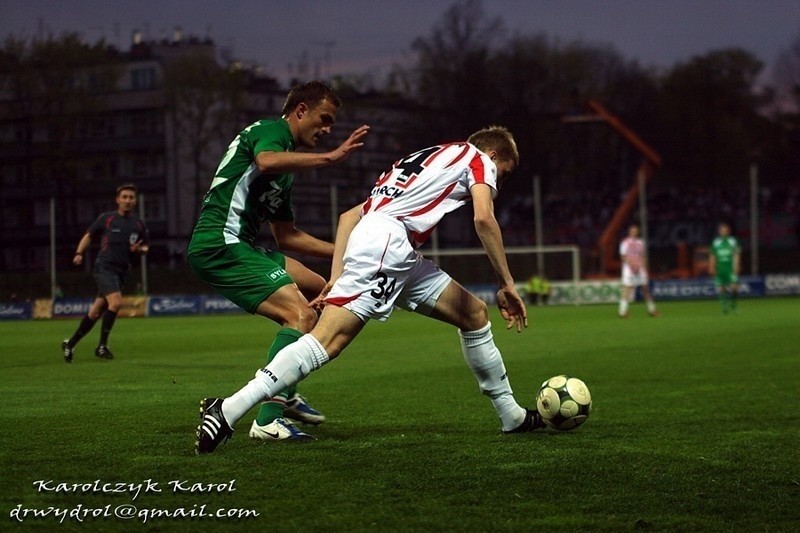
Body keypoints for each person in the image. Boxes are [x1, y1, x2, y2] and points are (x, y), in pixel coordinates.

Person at [196, 125, 547, 455]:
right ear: (494, 153)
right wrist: (507, 283)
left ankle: (511, 416)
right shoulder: (478, 158)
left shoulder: (428, 159)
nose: (500, 178)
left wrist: (336, 275)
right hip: (388, 245)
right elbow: (484, 218)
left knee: (473, 314)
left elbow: (349, 217)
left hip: (391, 245)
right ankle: (227, 409)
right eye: (505, 171)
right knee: (326, 342)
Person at [188, 81, 370, 443]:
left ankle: (283, 386)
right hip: (219, 244)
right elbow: (265, 160)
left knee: (325, 290)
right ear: (300, 111)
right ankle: (269, 417)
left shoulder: (284, 174)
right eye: (324, 119)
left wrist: (346, 250)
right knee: (300, 315)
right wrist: (330, 157)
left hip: (244, 246)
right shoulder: (270, 132)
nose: (327, 130)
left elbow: (288, 237)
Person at [61, 184, 149, 362]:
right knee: (115, 303)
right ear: (117, 200)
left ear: (135, 201)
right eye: (124, 197)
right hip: (104, 267)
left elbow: (146, 246)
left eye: (131, 197)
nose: (127, 200)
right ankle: (102, 346)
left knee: (95, 312)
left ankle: (70, 343)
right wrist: (79, 253)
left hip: (122, 272)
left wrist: (140, 249)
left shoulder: (139, 224)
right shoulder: (107, 219)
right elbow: (89, 235)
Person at [618, 223, 659, 318]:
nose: (634, 232)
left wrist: (644, 267)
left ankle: (652, 310)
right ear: (629, 232)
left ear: (637, 232)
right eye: (632, 231)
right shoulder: (625, 242)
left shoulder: (641, 242)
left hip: (640, 268)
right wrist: (631, 265)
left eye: (635, 231)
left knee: (645, 289)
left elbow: (642, 255)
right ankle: (622, 311)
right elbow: (623, 256)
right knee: (627, 288)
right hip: (629, 269)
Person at [709, 222, 741, 314]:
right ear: (719, 232)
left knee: (735, 287)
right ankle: (724, 306)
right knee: (721, 288)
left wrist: (736, 266)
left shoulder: (733, 241)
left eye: (726, 230)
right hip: (720, 268)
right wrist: (711, 266)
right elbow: (713, 255)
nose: (724, 232)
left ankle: (734, 306)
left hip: (730, 268)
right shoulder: (716, 242)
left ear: (728, 231)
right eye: (722, 230)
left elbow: (736, 254)